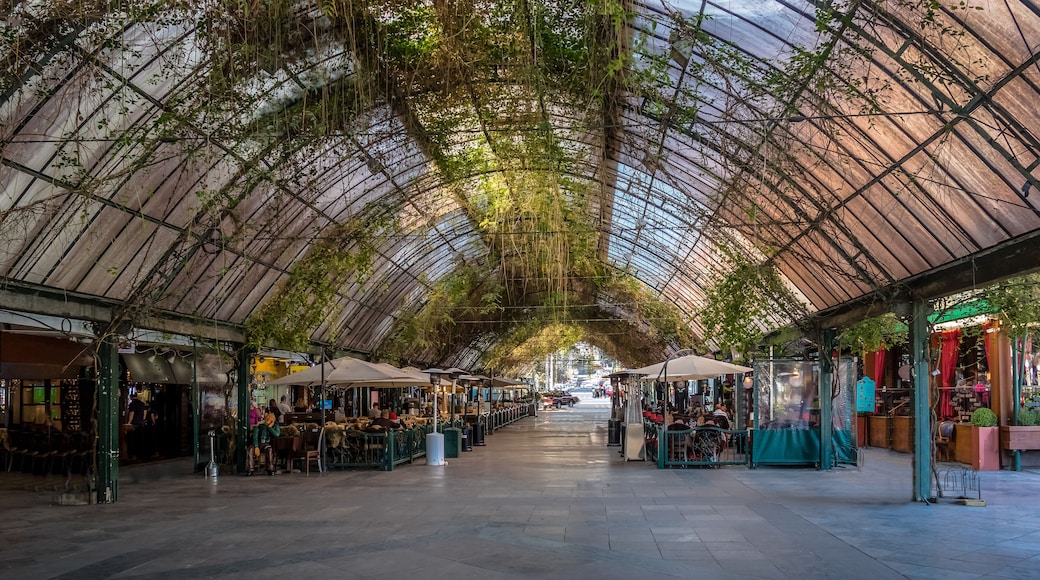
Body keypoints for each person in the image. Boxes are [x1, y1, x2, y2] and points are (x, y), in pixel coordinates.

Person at [246, 411, 281, 476]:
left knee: (269, 450)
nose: (269, 420)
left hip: (266, 444)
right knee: (250, 449)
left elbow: (277, 434)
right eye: (268, 418)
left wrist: (270, 428)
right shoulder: (260, 426)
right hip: (258, 443)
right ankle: (250, 469)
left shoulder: (275, 426)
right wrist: (256, 446)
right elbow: (255, 436)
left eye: (271, 419)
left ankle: (270, 468)